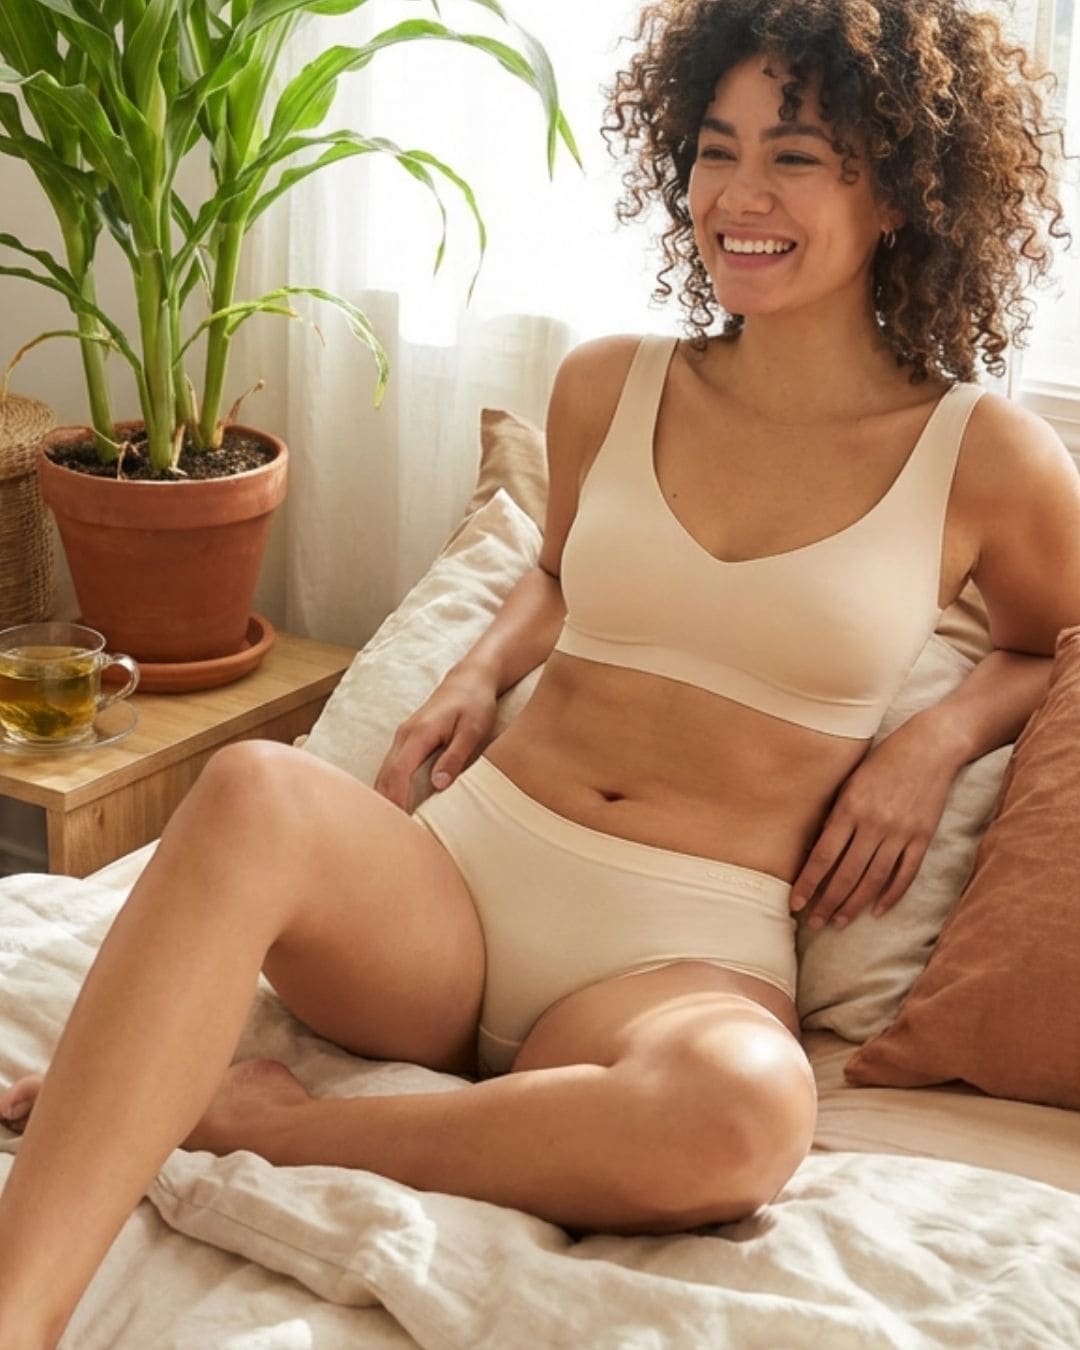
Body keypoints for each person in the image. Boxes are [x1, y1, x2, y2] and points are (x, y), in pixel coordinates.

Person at [3, 0, 1079, 1343]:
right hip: (460, 887)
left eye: (796, 156)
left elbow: (1057, 640)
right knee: (251, 791)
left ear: (906, 189)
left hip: (678, 958)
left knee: (753, 1112)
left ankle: (293, 1127)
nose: (738, 194)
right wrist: (478, 669)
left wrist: (941, 732)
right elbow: (563, 571)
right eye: (713, 147)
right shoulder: (608, 385)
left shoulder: (985, 457)